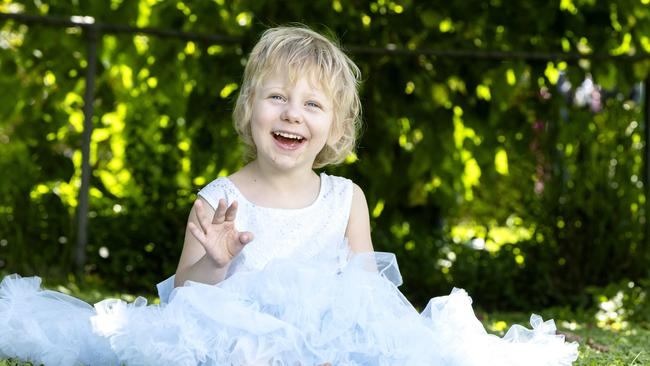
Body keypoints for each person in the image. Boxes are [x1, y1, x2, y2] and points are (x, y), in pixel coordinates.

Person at [0, 26, 578, 366]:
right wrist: (213, 262)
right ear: (250, 107)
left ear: (334, 127)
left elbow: (366, 294)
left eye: (312, 105)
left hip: (323, 339)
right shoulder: (219, 199)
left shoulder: (346, 198)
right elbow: (182, 304)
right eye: (277, 97)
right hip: (237, 342)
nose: (291, 114)